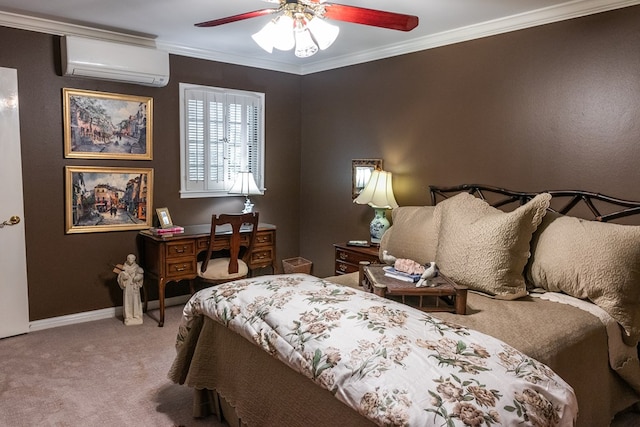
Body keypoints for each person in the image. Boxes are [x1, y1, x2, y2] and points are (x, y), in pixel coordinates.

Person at [117, 254, 144, 325]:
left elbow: (140, 275)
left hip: (135, 286)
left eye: (132, 259)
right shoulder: (124, 267)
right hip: (128, 286)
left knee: (135, 300)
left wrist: (137, 278)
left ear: (134, 259)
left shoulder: (137, 268)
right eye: (129, 258)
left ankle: (136, 315)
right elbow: (120, 276)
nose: (130, 260)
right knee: (127, 300)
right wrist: (123, 276)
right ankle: (128, 316)